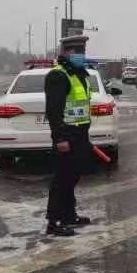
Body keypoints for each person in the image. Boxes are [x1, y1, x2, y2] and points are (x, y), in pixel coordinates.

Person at [43, 44, 94, 236]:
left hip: (80, 134)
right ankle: (54, 221)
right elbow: (54, 112)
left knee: (72, 177)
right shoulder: (58, 75)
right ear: (65, 52)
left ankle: (69, 215)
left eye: (81, 52)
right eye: (75, 52)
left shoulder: (78, 73)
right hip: (67, 135)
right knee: (61, 179)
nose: (79, 56)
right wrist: (60, 138)